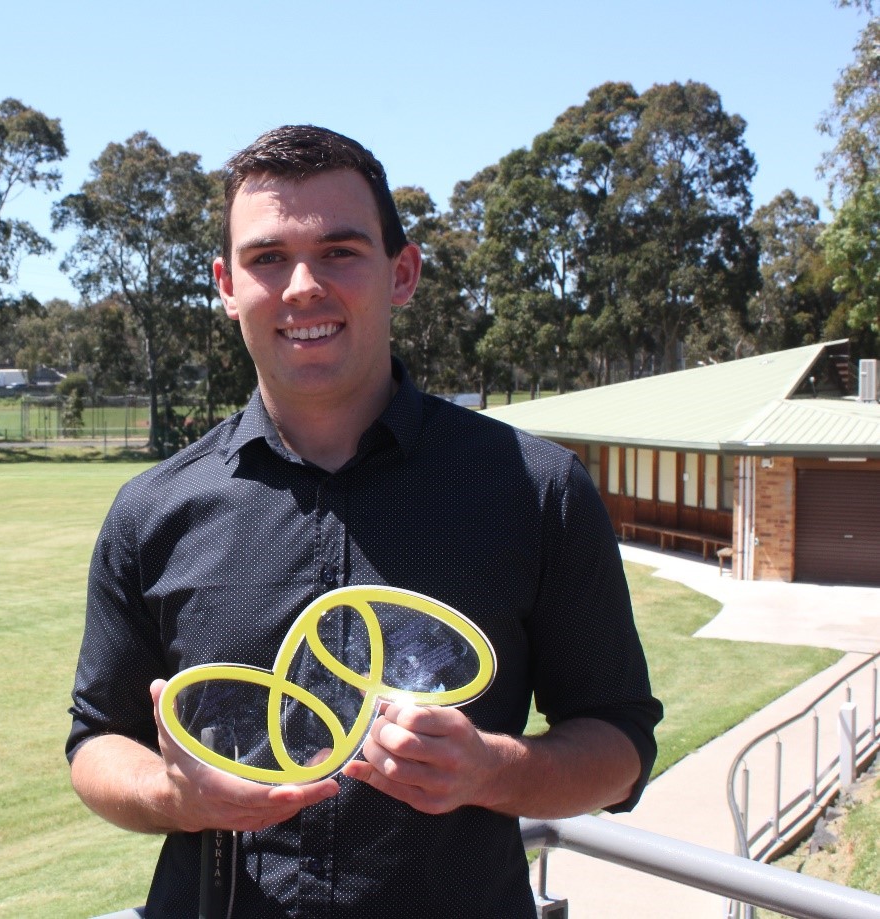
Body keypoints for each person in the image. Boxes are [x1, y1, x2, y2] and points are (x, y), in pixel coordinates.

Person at [67, 125, 662, 918]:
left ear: (402, 272)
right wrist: (177, 795)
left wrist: (490, 769)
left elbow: (618, 747)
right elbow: (96, 743)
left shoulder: (536, 488)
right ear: (224, 283)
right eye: (267, 258)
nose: (303, 285)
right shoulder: (151, 510)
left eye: (340, 250)